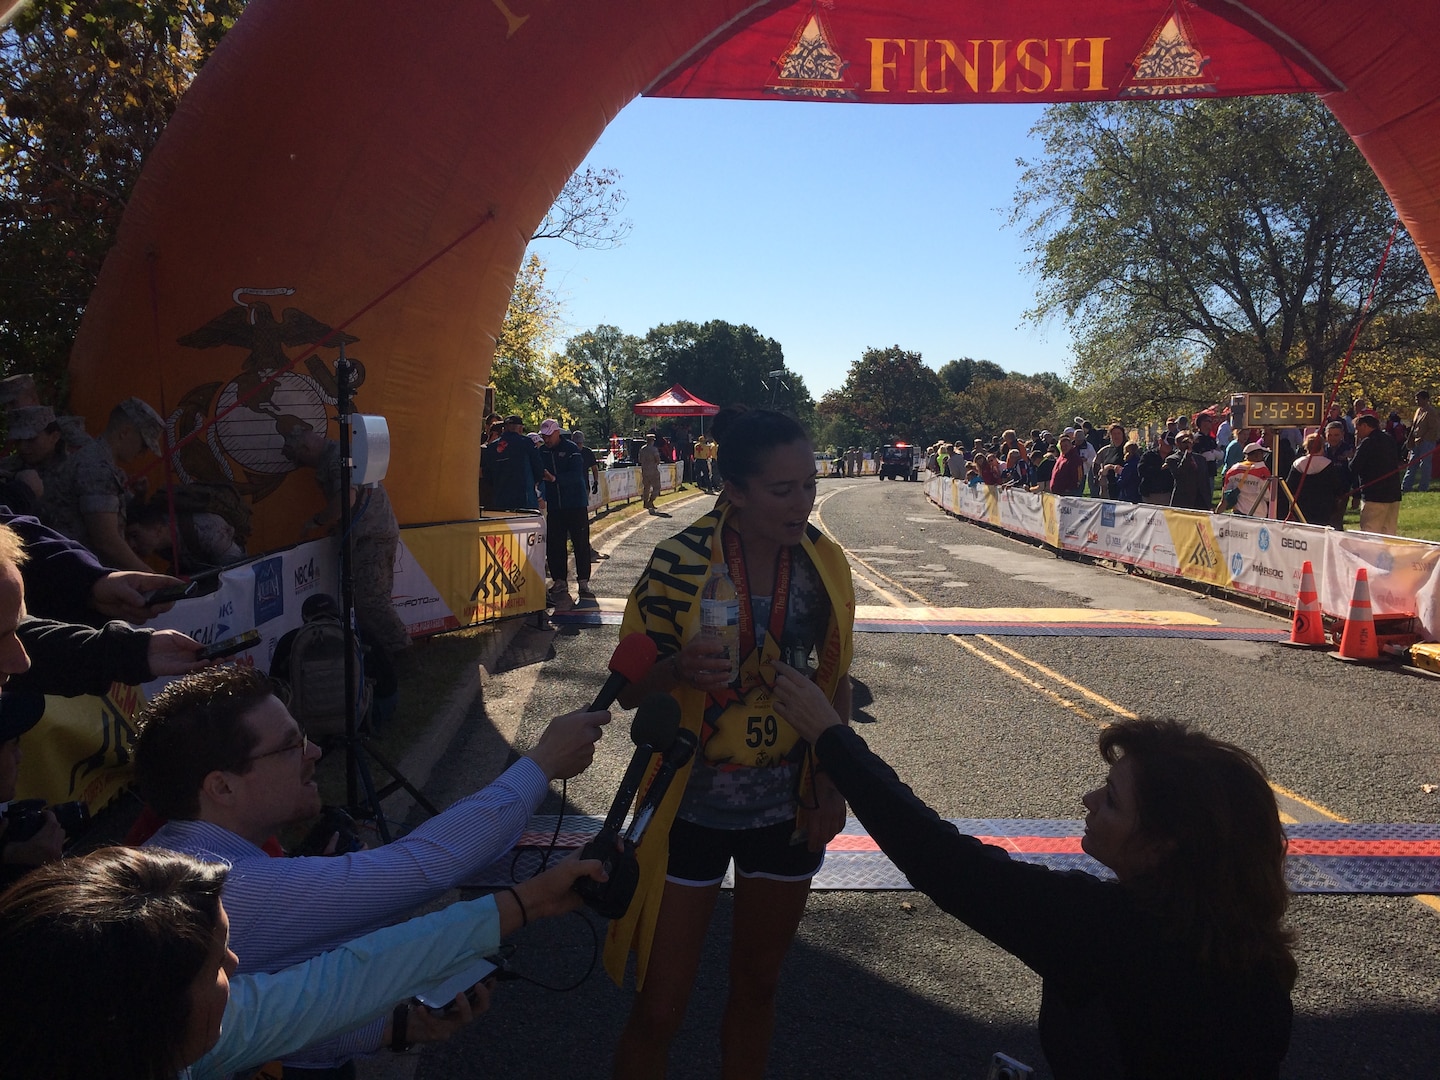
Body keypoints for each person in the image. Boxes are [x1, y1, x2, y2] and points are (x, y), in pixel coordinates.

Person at [770, 672, 1297, 1080]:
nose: (1089, 801)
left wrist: (832, 738)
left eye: (1111, 800)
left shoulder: (1106, 931)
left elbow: (943, 861)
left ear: (1162, 846)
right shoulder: (1251, 953)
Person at [135, 663, 608, 1077]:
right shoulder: (226, 887)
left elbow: (277, 1016)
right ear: (222, 787)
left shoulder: (176, 861)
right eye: (289, 745)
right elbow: (427, 863)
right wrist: (542, 762)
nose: (315, 751)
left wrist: (395, 1027)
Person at [606, 408, 854, 1079]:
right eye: (783, 490)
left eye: (808, 484)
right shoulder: (679, 562)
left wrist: (833, 784)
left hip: (786, 809)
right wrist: (678, 670)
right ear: (736, 491)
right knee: (659, 1009)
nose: (803, 503)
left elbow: (836, 683)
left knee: (758, 990)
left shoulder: (826, 566)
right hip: (687, 810)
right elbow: (630, 691)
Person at [0, 843, 603, 1080]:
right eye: (215, 964)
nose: (238, 967)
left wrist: (526, 902)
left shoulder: (138, 1038)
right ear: (137, 1014)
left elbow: (339, 982)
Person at [286, 427, 411, 655]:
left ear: (306, 448)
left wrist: (318, 520)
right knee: (365, 600)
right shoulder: (339, 454)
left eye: (300, 458)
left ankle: (401, 651)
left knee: (371, 601)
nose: (302, 465)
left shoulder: (338, 458)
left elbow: (347, 497)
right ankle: (379, 653)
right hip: (369, 534)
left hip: (371, 537)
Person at [43, 396, 164, 571]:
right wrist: (153, 577)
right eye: (143, 445)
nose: (142, 453)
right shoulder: (96, 468)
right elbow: (106, 541)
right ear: (125, 433)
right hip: (78, 573)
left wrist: (138, 497)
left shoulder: (98, 461)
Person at [539, 418, 593, 608]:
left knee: (580, 542)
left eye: (549, 436)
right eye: (543, 437)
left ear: (556, 433)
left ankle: (583, 580)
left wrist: (554, 478)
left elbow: (576, 475)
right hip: (555, 506)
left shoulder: (571, 450)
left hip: (575, 504)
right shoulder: (542, 452)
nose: (546, 440)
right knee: (555, 545)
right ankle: (559, 580)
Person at [1349, 412, 1403, 535]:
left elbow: (1354, 467)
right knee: (1389, 533)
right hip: (1393, 494)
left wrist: (1350, 458)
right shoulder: (1389, 439)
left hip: (1374, 495)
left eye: (1357, 429)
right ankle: (1388, 555)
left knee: (1370, 533)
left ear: (1365, 426)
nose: (1356, 433)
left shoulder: (1367, 442)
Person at [481, 414, 547, 512]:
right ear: (520, 429)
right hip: (524, 502)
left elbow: (487, 475)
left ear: (504, 429)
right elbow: (539, 470)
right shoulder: (527, 443)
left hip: (499, 502)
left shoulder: (492, 447)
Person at [1286, 432, 1348, 528]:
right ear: (1322, 447)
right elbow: (1337, 487)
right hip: (1324, 508)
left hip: (1302, 507)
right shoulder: (1328, 464)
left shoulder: (1297, 464)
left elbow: (1289, 487)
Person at [1403, 390, 1440, 493]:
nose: (1416, 401)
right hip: (1416, 442)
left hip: (1427, 442)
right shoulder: (1418, 411)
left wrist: (1423, 438)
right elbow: (1414, 426)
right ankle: (1406, 487)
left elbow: (1434, 428)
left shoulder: (1431, 412)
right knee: (1411, 464)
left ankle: (1423, 487)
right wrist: (1410, 440)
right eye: (1416, 399)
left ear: (1426, 399)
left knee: (1425, 465)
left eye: (1418, 399)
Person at [1164, 432, 1212, 510]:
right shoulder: (1172, 459)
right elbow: (1180, 472)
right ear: (1177, 444)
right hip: (1184, 502)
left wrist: (1209, 502)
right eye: (1183, 442)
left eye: (1189, 441)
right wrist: (1187, 454)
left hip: (1201, 501)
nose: (1187, 444)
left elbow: (1205, 480)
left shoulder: (1201, 459)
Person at [639, 430, 662, 512]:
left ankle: (645, 502)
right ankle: (651, 501)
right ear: (652, 441)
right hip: (653, 470)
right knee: (657, 487)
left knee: (646, 487)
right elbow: (657, 460)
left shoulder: (642, 449)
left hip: (644, 470)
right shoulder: (654, 449)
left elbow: (640, 460)